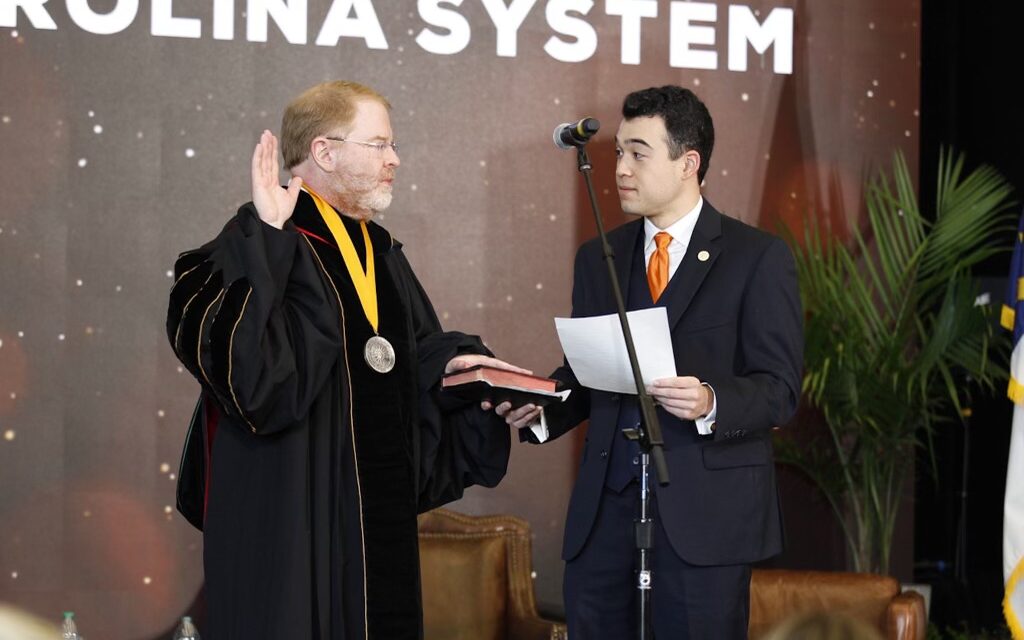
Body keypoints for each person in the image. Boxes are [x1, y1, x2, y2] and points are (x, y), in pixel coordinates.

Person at [166, 80, 522, 639]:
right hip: (292, 517)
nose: (395, 160)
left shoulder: (378, 251)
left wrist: (468, 373)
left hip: (372, 519)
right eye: (378, 145)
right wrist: (269, 239)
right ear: (325, 152)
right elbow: (251, 376)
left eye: (393, 145)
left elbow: (406, 355)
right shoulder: (259, 236)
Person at [501, 85, 804, 637]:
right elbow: (589, 373)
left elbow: (779, 388)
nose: (620, 168)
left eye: (639, 153)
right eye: (618, 152)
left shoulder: (756, 257)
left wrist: (712, 400)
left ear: (688, 163)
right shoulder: (599, 257)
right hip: (606, 518)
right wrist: (542, 407)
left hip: (705, 522)